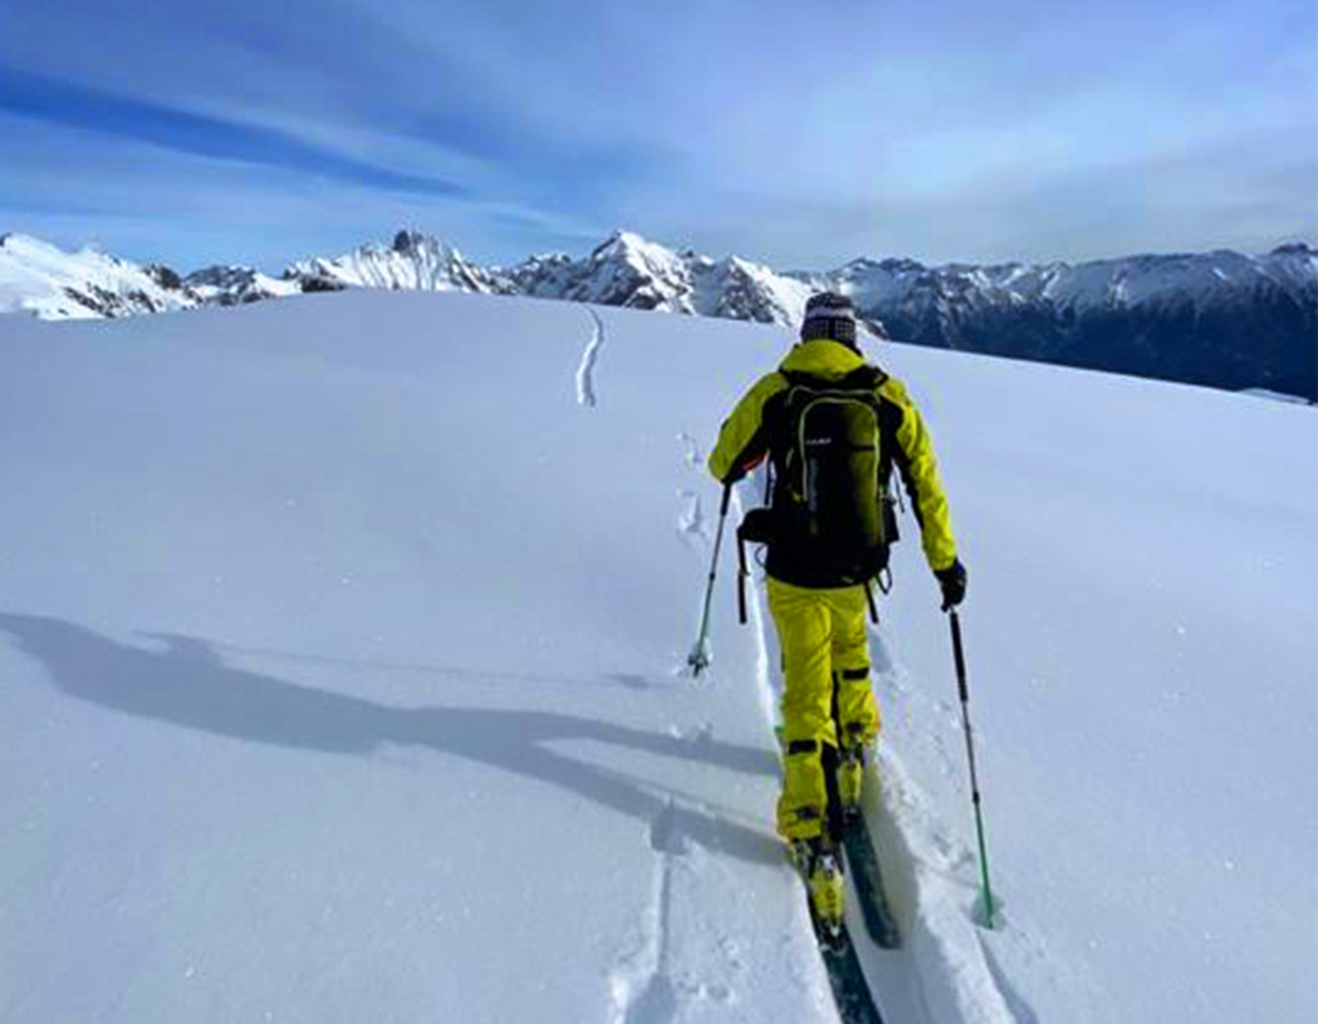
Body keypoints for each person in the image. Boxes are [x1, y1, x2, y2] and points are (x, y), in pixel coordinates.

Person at [707, 291, 966, 925]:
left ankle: (807, 826)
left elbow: (723, 463)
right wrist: (945, 562)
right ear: (851, 338)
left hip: (796, 565)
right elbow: (925, 480)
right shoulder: (885, 395)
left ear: (807, 335)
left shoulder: (780, 388)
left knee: (803, 688)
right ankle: (854, 749)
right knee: (850, 653)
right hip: (859, 562)